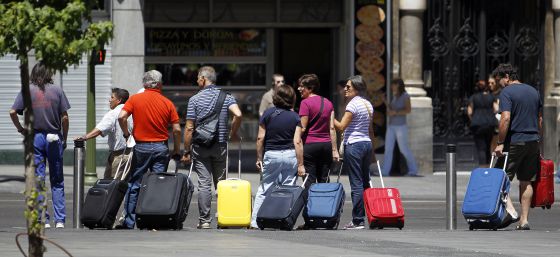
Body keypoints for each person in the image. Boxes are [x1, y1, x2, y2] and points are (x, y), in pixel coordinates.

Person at [115, 70, 182, 229]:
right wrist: (177, 149)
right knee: (158, 184)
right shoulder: (167, 102)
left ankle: (130, 221)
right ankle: (154, 220)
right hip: (160, 147)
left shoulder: (135, 99)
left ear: (144, 83)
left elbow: (121, 116)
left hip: (141, 146)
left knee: (135, 183)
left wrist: (126, 134)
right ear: (159, 84)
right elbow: (177, 130)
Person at [9, 62, 70, 229]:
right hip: (54, 137)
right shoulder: (57, 90)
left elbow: (13, 111)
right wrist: (64, 138)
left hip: (35, 137)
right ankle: (60, 220)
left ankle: (43, 218)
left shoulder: (27, 90)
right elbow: (64, 118)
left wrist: (21, 129)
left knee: (39, 179)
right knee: (57, 180)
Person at [182, 66, 242, 229]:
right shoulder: (227, 96)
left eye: (197, 78)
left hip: (200, 146)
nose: (196, 81)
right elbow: (238, 114)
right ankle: (225, 219)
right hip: (220, 145)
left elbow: (189, 128)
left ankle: (205, 220)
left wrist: (186, 150)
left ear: (203, 79)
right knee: (221, 183)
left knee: (204, 183)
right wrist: (233, 132)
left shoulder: (194, 99)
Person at [493, 63, 542, 230]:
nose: (499, 84)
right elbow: (539, 119)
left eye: (499, 80)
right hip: (532, 141)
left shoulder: (507, 92)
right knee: (526, 180)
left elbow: (505, 118)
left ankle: (511, 212)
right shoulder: (533, 91)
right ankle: (524, 220)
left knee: (499, 178)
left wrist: (500, 143)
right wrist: (537, 139)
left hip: (514, 141)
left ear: (507, 77)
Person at [251, 84, 306, 229]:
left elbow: (260, 138)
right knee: (288, 190)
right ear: (292, 99)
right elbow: (297, 141)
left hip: (272, 154)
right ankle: (282, 220)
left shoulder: (268, 114)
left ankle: (255, 222)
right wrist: (301, 164)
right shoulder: (295, 117)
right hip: (289, 155)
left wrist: (259, 158)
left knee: (265, 188)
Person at [334, 75, 375, 230]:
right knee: (366, 182)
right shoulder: (367, 104)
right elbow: (370, 130)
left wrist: (328, 116)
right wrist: (373, 153)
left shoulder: (353, 105)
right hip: (366, 144)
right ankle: (372, 215)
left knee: (356, 183)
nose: (345, 89)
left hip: (355, 145)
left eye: (349, 87)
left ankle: (358, 220)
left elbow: (341, 126)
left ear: (357, 88)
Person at [74, 88, 135, 179]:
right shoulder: (132, 112)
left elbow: (100, 129)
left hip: (119, 156)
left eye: (112, 97)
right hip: (133, 154)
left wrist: (85, 137)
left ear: (119, 100)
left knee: (112, 185)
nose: (109, 100)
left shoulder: (113, 113)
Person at [296, 74, 339, 188]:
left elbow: (303, 127)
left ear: (310, 88)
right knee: (324, 180)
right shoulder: (328, 103)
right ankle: (324, 204)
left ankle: (309, 205)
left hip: (310, 146)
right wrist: (334, 150)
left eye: (301, 86)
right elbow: (332, 128)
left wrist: (295, 138)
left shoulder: (305, 103)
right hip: (326, 146)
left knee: (309, 181)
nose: (299, 89)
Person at [381, 78, 419, 176]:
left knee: (404, 149)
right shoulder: (395, 96)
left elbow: (408, 110)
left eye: (393, 84)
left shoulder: (405, 96)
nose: (392, 86)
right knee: (388, 149)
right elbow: (392, 109)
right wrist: (385, 102)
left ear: (398, 85)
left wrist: (395, 112)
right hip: (391, 126)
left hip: (401, 126)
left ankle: (413, 170)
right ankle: (385, 171)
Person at [467, 79, 498, 167]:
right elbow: (496, 109)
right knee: (488, 146)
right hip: (490, 124)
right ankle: (488, 166)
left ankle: (482, 167)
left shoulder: (473, 97)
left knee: (481, 148)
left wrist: (473, 119)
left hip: (477, 124)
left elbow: (469, 111)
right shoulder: (491, 97)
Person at [489, 76, 502, 152]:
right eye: (489, 83)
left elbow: (498, 109)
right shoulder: (490, 94)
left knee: (496, 142)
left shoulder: (501, 94)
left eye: (492, 83)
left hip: (497, 121)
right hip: (490, 121)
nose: (490, 84)